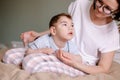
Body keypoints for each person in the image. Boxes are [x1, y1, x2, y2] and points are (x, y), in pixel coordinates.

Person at [20, 0, 120, 75]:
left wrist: (74, 63)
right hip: (60, 52)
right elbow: (65, 29)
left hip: (80, 65)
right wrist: (38, 35)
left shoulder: (112, 34)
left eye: (107, 8)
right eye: (99, 1)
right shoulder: (80, 4)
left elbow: (103, 68)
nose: (99, 8)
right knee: (15, 55)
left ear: (116, 11)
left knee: (31, 63)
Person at [3, 13, 87, 77]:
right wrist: (42, 50)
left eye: (72, 25)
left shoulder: (70, 44)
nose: (71, 28)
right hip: (35, 49)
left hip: (52, 61)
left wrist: (69, 56)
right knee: (13, 54)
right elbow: (28, 52)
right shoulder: (44, 40)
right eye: (65, 24)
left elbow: (79, 59)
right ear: (53, 31)